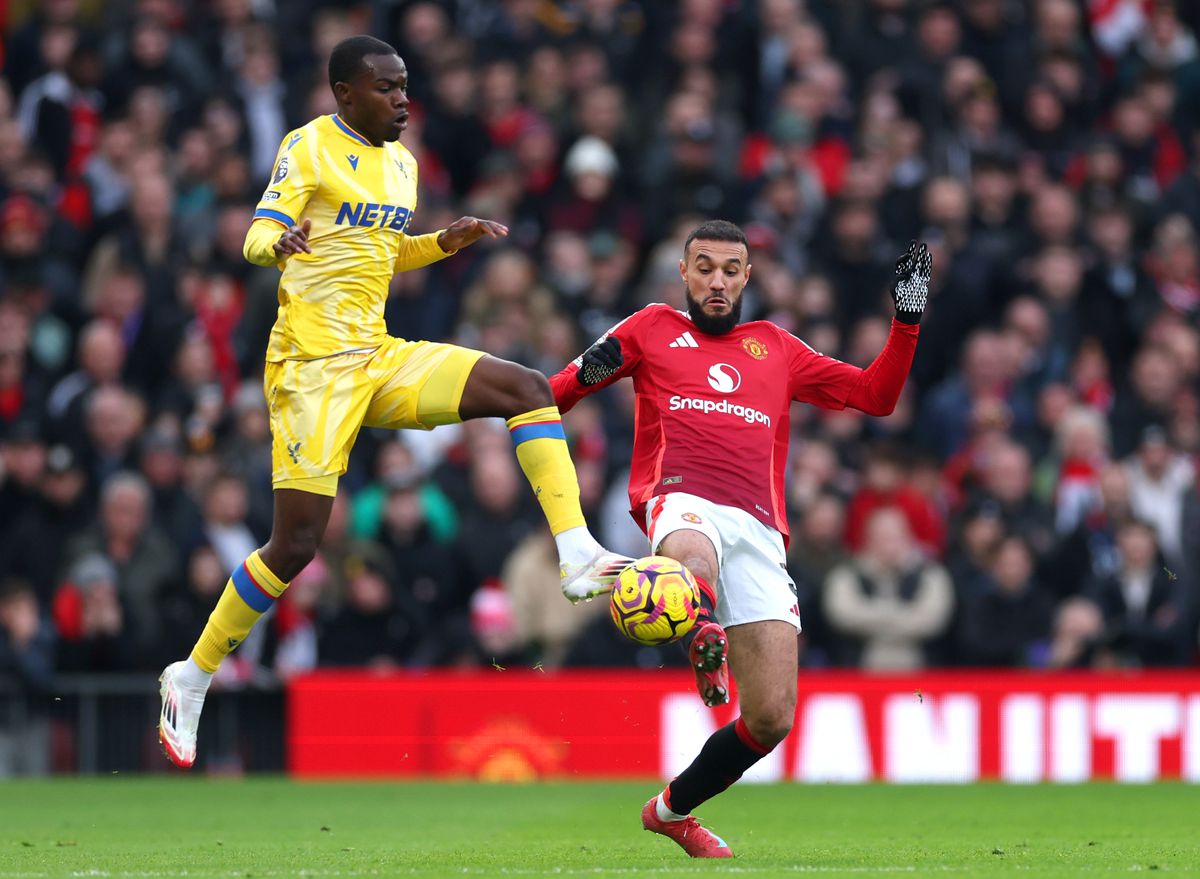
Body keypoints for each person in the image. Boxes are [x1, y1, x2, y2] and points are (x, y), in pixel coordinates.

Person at [157, 35, 629, 769]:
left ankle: (576, 554)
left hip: (376, 355)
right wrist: (277, 245)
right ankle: (193, 674)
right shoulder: (309, 145)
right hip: (311, 369)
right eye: (385, 88)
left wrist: (443, 242)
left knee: (526, 387)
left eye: (405, 85)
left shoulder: (403, 165)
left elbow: (384, 250)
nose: (402, 99)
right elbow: (257, 231)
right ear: (345, 93)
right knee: (296, 545)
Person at [549, 220, 928, 857]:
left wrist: (907, 322)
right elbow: (554, 396)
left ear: (748, 276)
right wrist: (560, 382)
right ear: (683, 272)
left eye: (730, 270)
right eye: (705, 268)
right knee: (691, 556)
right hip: (680, 498)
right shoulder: (649, 329)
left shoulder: (776, 347)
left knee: (771, 717)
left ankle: (670, 812)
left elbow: (876, 397)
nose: (717, 282)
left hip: (758, 528)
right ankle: (703, 634)